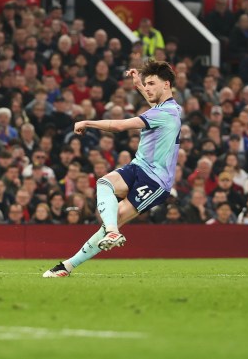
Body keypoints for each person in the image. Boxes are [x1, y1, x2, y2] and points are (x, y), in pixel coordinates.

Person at [44, 61, 182, 277]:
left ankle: (67, 266)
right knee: (104, 183)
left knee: (113, 219)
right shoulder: (165, 108)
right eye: (146, 84)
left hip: (155, 181)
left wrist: (87, 122)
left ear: (167, 84)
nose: (147, 88)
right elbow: (153, 101)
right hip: (139, 166)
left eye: (151, 84)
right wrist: (138, 84)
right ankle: (111, 232)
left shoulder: (167, 113)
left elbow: (119, 126)